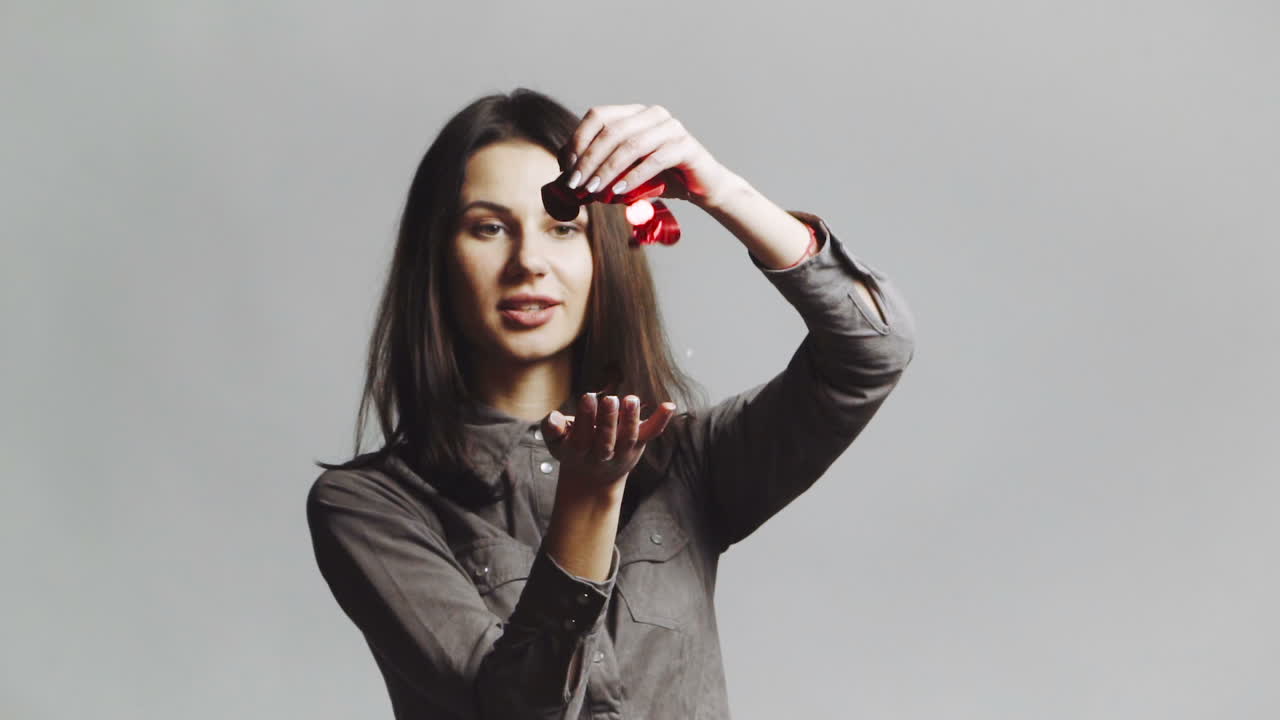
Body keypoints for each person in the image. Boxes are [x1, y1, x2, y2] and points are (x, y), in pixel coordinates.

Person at [305, 88, 917, 719]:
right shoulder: (371, 506)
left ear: (605, 255)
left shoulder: (688, 461)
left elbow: (873, 348)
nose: (529, 262)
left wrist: (718, 189)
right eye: (489, 227)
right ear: (437, 256)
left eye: (563, 227)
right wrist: (590, 499)